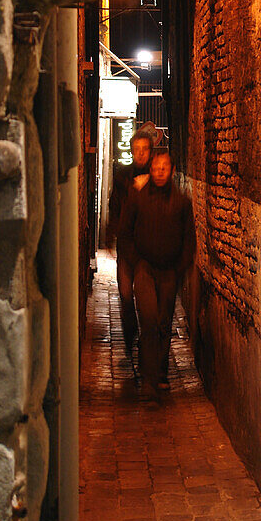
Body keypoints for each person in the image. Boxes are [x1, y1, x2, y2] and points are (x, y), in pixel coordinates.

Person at [118, 149, 195, 403]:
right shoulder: (138, 199)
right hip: (145, 268)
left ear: (171, 171)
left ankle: (159, 371)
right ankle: (149, 377)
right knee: (149, 319)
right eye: (156, 167)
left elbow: (188, 240)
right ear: (150, 170)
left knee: (163, 322)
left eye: (165, 167)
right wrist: (135, 260)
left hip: (169, 270)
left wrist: (179, 268)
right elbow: (125, 232)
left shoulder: (182, 203)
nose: (160, 171)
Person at [107, 126, 155, 368]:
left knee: (146, 300)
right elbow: (115, 206)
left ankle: (145, 346)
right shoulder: (122, 177)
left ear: (150, 152)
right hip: (127, 248)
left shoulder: (158, 177)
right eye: (136, 150)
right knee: (126, 295)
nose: (140, 154)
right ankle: (130, 335)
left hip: (148, 249)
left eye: (144, 150)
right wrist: (112, 233)